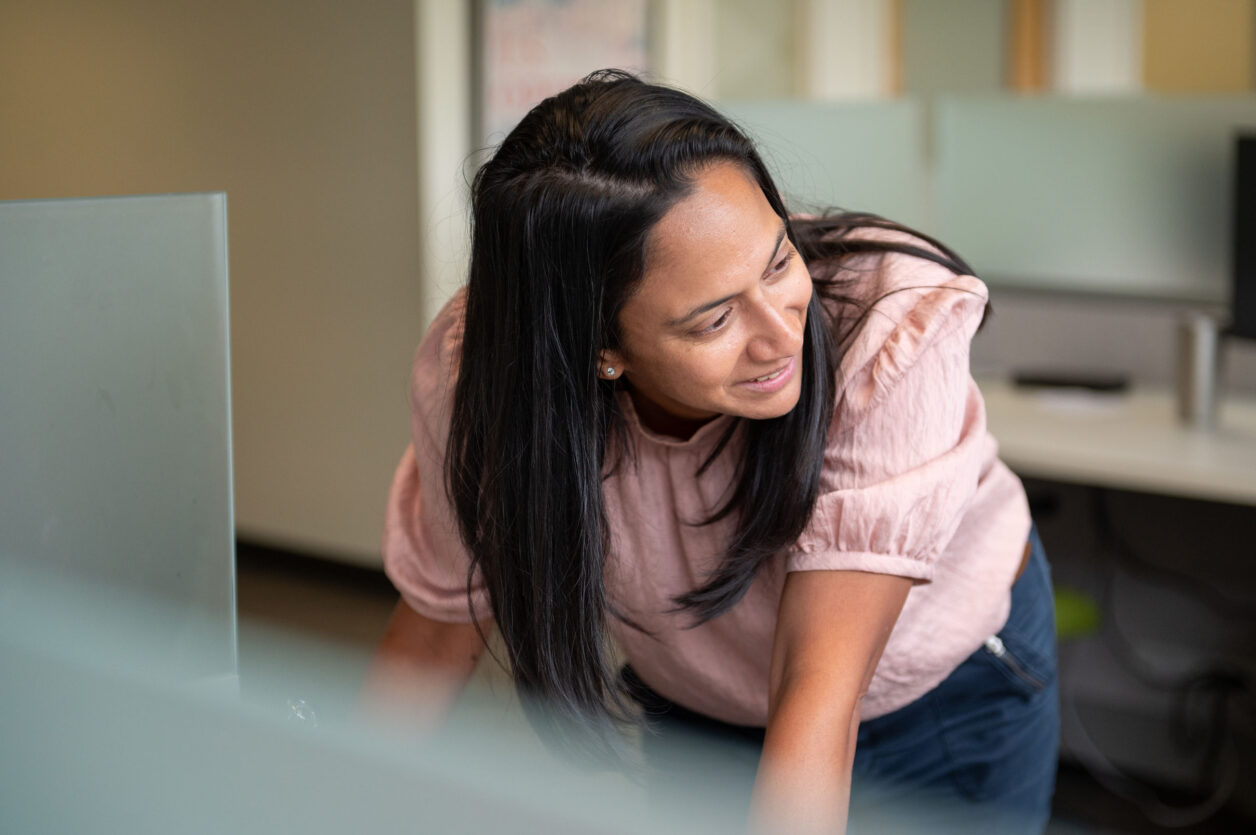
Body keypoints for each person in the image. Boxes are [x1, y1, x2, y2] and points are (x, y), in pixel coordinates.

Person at [363, 69, 1059, 833]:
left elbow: (818, 690)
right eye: (713, 320)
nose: (779, 331)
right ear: (598, 349)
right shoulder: (491, 368)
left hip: (938, 694)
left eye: (778, 261)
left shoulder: (885, 325)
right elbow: (436, 629)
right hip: (705, 702)